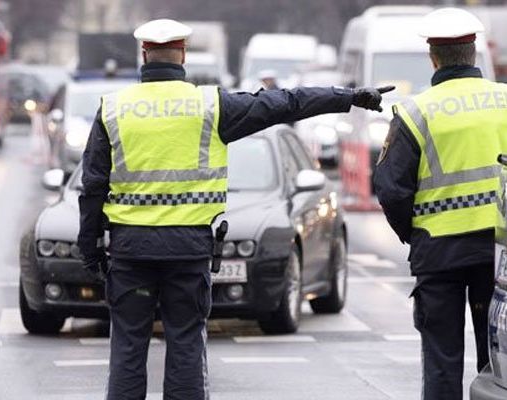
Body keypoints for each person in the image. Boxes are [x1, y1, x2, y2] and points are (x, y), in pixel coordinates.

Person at [77, 18, 393, 400]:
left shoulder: (113, 109)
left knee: (127, 349)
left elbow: (93, 185)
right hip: (189, 253)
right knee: (186, 346)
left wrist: (90, 245)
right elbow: (285, 103)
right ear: (182, 54)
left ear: (144, 54)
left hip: (130, 253)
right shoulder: (210, 106)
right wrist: (349, 96)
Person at [373, 8, 507, 400]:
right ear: (474, 52)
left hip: (440, 253)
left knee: (442, 362)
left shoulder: (416, 111)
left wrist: (414, 233)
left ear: (432, 57)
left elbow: (391, 188)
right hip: (499, 255)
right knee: (498, 366)